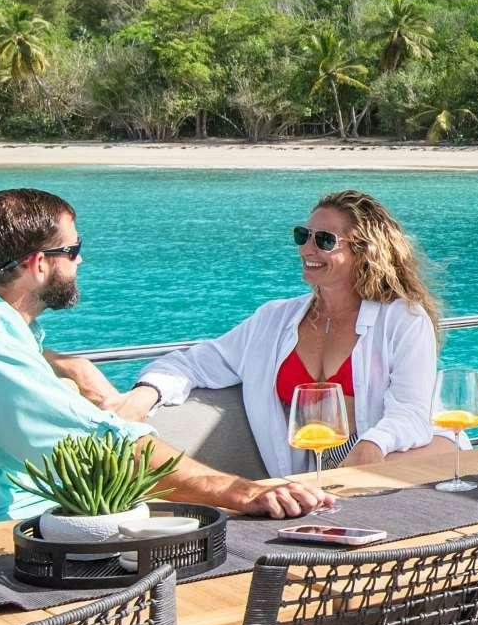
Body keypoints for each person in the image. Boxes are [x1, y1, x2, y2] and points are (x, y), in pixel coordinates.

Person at [0, 188, 335, 538]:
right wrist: (245, 492)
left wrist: (67, 365)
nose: (81, 259)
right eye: (72, 251)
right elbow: (110, 453)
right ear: (38, 264)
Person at [120, 190, 451, 477]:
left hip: (393, 456)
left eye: (324, 240)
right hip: (312, 474)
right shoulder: (273, 320)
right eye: (302, 235)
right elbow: (197, 362)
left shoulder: (402, 319)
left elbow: (411, 412)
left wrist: (372, 444)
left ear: (364, 252)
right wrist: (145, 393)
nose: (308, 249)